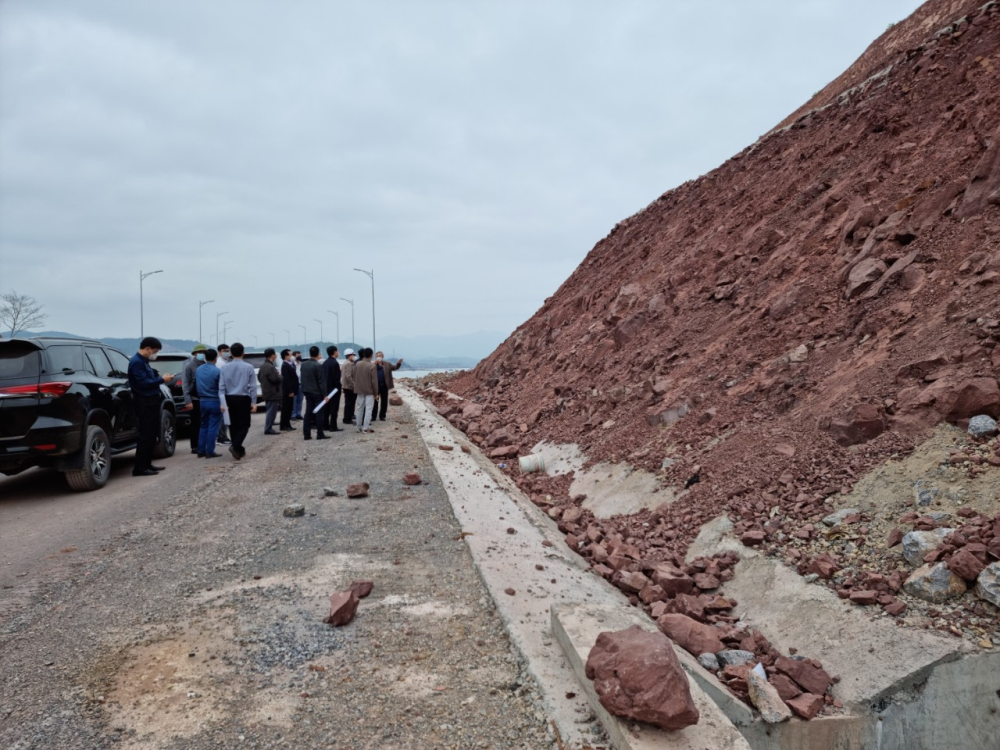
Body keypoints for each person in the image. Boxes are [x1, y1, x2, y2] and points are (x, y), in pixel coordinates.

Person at [127, 336, 173, 477]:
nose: (155, 354)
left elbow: (149, 379)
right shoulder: (136, 362)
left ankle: (147, 464)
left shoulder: (144, 362)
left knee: (152, 435)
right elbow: (144, 383)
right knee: (145, 435)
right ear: (147, 349)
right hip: (144, 402)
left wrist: (160, 377)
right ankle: (139, 468)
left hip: (151, 402)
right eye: (154, 351)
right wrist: (162, 380)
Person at [219, 342, 257, 459]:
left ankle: (239, 449)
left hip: (229, 398)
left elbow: (221, 386)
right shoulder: (248, 367)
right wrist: (254, 402)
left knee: (233, 424)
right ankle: (235, 446)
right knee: (244, 424)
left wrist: (221, 402)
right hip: (243, 398)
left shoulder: (225, 367)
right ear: (243, 352)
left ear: (230, 353)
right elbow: (253, 386)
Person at [195, 348, 224, 458]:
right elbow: (221, 388)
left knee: (203, 426)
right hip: (215, 400)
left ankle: (201, 450)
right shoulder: (217, 371)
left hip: (202, 401)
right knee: (213, 427)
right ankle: (210, 451)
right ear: (216, 358)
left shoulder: (199, 369)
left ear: (205, 358)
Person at [181, 343, 207, 454]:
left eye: (204, 353)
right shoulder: (189, 366)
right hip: (194, 399)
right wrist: (188, 400)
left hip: (204, 398)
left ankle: (203, 444)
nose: (202, 354)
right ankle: (194, 446)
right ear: (195, 354)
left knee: (204, 423)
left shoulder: (205, 364)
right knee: (195, 424)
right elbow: (185, 384)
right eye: (199, 352)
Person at [300, 346, 328, 440]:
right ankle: (320, 433)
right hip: (317, 393)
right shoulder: (318, 365)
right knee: (319, 413)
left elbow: (302, 379)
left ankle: (306, 434)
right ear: (318, 354)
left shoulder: (303, 365)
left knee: (308, 413)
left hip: (307, 392)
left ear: (309, 354)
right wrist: (325, 395)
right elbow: (321, 382)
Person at [353, 347, 379, 433]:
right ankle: (366, 427)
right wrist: (376, 393)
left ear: (363, 354)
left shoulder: (357, 364)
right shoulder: (372, 365)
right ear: (371, 355)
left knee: (359, 409)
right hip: (369, 391)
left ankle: (358, 427)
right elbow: (374, 381)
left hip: (359, 390)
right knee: (368, 409)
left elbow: (354, 376)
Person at [258, 347, 282, 435]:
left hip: (266, 391)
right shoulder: (270, 367)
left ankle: (269, 426)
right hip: (272, 392)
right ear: (272, 355)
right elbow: (275, 379)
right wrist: (280, 377)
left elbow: (259, 378)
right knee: (271, 411)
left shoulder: (263, 366)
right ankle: (268, 428)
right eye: (275, 354)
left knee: (269, 410)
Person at [374, 351, 404, 422]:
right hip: (375, 386)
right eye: (377, 356)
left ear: (383, 357)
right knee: (375, 401)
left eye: (380, 356)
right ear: (375, 357)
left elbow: (395, 368)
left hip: (384, 385)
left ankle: (382, 416)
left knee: (384, 401)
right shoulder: (373, 365)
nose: (379, 357)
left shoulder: (387, 364)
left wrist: (398, 363)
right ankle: (373, 416)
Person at [322, 345, 342, 432]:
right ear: (334, 352)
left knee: (326, 408)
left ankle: (325, 425)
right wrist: (339, 386)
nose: (338, 352)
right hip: (334, 389)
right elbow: (336, 378)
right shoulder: (335, 363)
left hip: (326, 388)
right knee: (334, 408)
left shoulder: (325, 362)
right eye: (337, 351)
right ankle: (333, 426)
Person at [216, 343, 232, 444]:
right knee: (222, 416)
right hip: (221, 393)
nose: (226, 353)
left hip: (226, 392)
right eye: (224, 351)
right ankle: (221, 437)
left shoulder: (225, 362)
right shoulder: (219, 363)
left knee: (225, 416)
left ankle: (223, 436)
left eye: (227, 351)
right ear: (219, 352)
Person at [279, 349, 298, 432]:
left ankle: (287, 424)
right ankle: (284, 425)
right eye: (290, 355)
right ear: (286, 356)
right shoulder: (285, 365)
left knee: (289, 408)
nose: (292, 357)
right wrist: (290, 391)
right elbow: (286, 380)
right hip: (287, 392)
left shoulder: (290, 364)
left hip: (291, 390)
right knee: (286, 408)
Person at [341, 348, 357, 426]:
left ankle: (348, 417)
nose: (354, 356)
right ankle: (347, 419)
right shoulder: (349, 364)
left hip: (346, 386)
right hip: (349, 387)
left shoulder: (345, 363)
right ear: (350, 355)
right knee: (349, 403)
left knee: (348, 403)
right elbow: (348, 376)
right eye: (353, 355)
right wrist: (353, 386)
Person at [291, 350, 304, 420]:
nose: (299, 356)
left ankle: (298, 414)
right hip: (294, 385)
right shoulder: (292, 364)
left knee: (300, 400)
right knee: (294, 401)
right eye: (298, 355)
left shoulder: (301, 364)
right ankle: (293, 414)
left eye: (300, 354)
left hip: (301, 384)